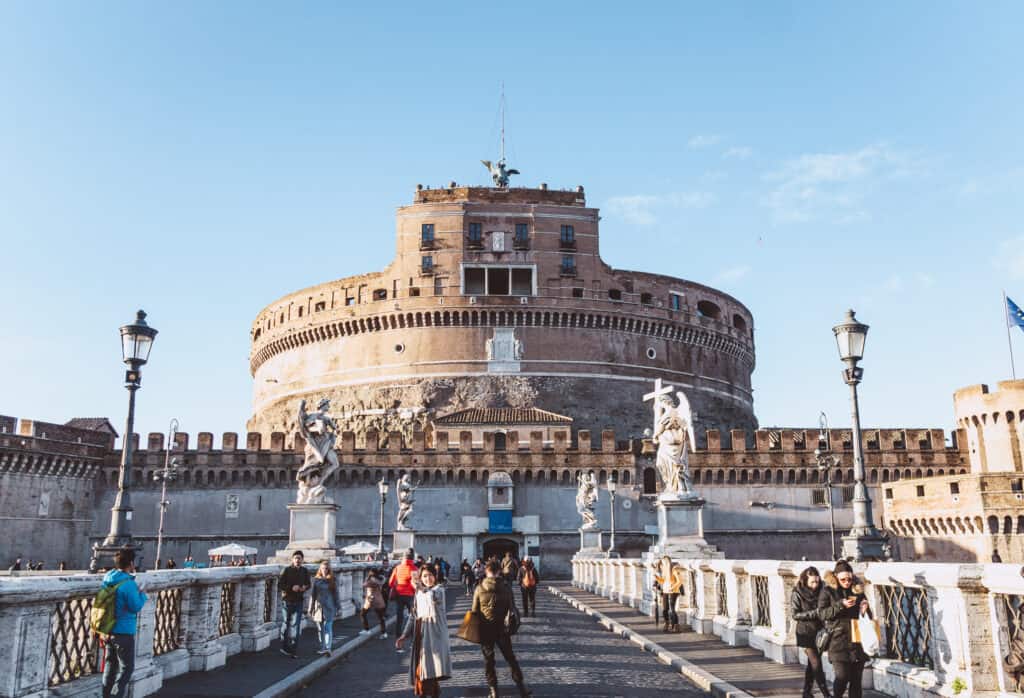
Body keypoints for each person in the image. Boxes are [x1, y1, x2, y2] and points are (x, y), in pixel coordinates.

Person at [471, 561, 531, 698]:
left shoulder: (479, 588)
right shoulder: (506, 588)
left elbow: (474, 611)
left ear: (486, 571)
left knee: (489, 661)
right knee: (511, 659)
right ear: (499, 571)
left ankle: (494, 692)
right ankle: (522, 689)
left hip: (486, 630)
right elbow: (512, 608)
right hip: (502, 629)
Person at [396, 565, 452, 697]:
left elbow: (432, 597)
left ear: (435, 576)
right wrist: (404, 635)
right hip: (420, 633)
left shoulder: (439, 590)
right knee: (422, 671)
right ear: (421, 578)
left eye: (431, 575)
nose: (428, 578)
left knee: (429, 671)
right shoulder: (418, 593)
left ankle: (430, 694)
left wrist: (419, 588)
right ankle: (429, 694)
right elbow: (413, 615)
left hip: (435, 634)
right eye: (425, 576)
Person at [818, 560, 870, 698]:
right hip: (837, 640)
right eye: (843, 579)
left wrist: (865, 609)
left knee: (856, 680)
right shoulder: (827, 591)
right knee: (842, 676)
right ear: (835, 577)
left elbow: (867, 617)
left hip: (857, 639)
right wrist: (840, 605)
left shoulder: (857, 590)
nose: (847, 582)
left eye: (849, 579)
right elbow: (822, 613)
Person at [101, 548, 148, 698]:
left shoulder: (108, 577)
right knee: (127, 669)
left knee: (110, 667)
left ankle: (106, 695)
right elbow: (135, 607)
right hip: (124, 631)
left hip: (108, 629)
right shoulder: (128, 584)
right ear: (131, 563)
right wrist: (142, 594)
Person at [792, 566, 831, 698]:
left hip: (819, 632)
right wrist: (815, 613)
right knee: (816, 663)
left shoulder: (822, 590)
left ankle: (806, 692)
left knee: (812, 664)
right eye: (812, 582)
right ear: (805, 581)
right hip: (805, 632)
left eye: (817, 582)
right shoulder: (797, 592)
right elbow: (795, 614)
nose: (815, 585)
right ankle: (826, 694)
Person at [277, 550, 311, 658]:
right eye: (296, 558)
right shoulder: (286, 570)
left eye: (299, 558)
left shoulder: (305, 571)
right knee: (286, 625)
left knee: (296, 625)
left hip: (299, 601)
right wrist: (291, 588)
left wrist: (305, 587)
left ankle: (293, 649)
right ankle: (284, 646)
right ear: (292, 559)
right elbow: (280, 585)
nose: (297, 560)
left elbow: (308, 584)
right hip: (287, 601)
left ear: (302, 560)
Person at [390, 549, 419, 646]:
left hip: (399, 594)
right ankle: (411, 636)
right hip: (410, 595)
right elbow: (416, 584)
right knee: (413, 616)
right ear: (413, 557)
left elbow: (391, 582)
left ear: (403, 557)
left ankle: (398, 634)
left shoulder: (397, 568)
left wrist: (398, 586)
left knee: (399, 615)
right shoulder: (414, 568)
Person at [310, 560, 339, 656]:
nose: (324, 570)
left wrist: (338, 607)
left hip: (329, 607)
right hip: (318, 608)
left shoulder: (332, 580)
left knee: (328, 628)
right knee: (320, 629)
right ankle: (322, 647)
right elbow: (313, 595)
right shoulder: (316, 580)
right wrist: (311, 608)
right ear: (320, 569)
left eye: (326, 569)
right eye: (322, 568)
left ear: (329, 569)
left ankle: (328, 648)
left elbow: (336, 595)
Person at [654, 556, 683, 632]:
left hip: (673, 591)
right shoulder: (664, 571)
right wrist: (657, 578)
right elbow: (663, 581)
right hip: (665, 591)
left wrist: (673, 587)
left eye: (664, 563)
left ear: (668, 562)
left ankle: (676, 626)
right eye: (662, 563)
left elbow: (679, 581)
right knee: (665, 609)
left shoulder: (674, 569)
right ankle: (667, 623)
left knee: (672, 609)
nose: (663, 565)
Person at [361, 568, 388, 638]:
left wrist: (368, 577)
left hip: (371, 600)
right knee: (381, 618)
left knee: (363, 614)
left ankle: (366, 629)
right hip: (379, 600)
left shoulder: (371, 580)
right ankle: (384, 633)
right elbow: (383, 580)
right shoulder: (380, 579)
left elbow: (364, 585)